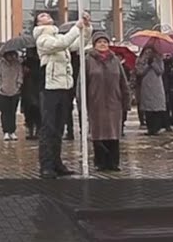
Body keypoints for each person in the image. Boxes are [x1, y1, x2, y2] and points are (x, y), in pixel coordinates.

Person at [33, 11, 87, 179]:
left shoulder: (59, 36)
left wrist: (86, 28)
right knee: (48, 128)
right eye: (41, 16)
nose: (46, 15)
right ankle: (46, 165)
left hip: (64, 87)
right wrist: (76, 28)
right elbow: (61, 44)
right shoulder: (42, 38)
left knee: (58, 128)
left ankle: (57, 163)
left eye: (47, 14)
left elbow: (77, 44)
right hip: (49, 88)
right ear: (38, 24)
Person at [85, 32, 129, 172]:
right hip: (96, 103)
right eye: (99, 42)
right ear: (94, 44)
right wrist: (82, 104)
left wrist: (126, 101)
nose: (102, 44)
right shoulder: (88, 60)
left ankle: (113, 162)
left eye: (105, 42)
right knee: (98, 133)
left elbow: (123, 81)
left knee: (114, 133)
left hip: (114, 102)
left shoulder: (115, 60)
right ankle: (100, 162)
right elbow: (83, 83)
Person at [0, 47, 23, 140]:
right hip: (3, 92)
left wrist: (18, 86)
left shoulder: (17, 64)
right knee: (5, 112)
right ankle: (6, 131)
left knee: (13, 112)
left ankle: (12, 131)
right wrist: (0, 87)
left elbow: (20, 75)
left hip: (15, 91)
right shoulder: (0, 64)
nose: (11, 56)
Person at [136, 45, 167, 134]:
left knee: (157, 108)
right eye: (146, 52)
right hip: (146, 85)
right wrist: (147, 65)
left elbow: (160, 71)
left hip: (156, 85)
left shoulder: (158, 59)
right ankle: (150, 128)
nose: (148, 53)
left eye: (150, 52)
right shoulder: (140, 60)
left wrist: (153, 63)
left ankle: (156, 128)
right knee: (148, 109)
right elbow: (139, 72)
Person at [21, 46, 44, 140]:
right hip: (29, 89)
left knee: (35, 111)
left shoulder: (39, 62)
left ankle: (36, 130)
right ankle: (32, 130)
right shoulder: (26, 63)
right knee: (30, 111)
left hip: (35, 89)